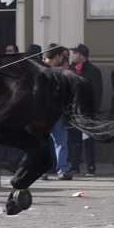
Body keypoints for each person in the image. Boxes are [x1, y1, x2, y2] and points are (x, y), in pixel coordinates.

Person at [68, 43, 102, 176]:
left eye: (74, 53)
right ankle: (74, 166)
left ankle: (90, 167)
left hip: (87, 111)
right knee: (73, 140)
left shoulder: (93, 71)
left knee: (88, 140)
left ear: (82, 56)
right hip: (73, 111)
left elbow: (97, 92)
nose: (72, 56)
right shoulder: (71, 69)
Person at [43, 44, 72, 180]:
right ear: (57, 56)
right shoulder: (45, 70)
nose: (63, 59)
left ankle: (60, 169)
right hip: (49, 112)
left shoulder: (40, 68)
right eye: (62, 56)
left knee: (53, 142)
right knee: (59, 142)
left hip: (50, 112)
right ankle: (62, 170)